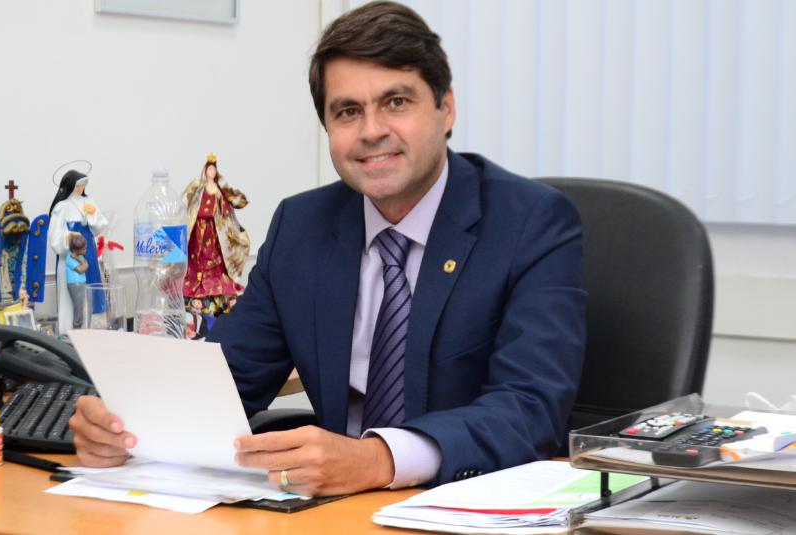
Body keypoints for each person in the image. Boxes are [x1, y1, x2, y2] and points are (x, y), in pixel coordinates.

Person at [70, 1, 585, 498]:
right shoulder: (303, 227)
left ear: (445, 109)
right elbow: (229, 379)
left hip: (465, 508)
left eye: (396, 102)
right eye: (348, 112)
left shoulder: (531, 224)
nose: (372, 131)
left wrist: (379, 459)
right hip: (327, 510)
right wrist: (122, 424)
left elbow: (530, 407)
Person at [182, 153, 250, 316]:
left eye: (214, 170)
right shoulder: (198, 185)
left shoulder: (219, 189)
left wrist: (222, 197)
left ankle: (215, 289)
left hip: (213, 228)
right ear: (205, 170)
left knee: (214, 254)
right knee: (197, 254)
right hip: (198, 227)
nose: (211, 172)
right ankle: (195, 287)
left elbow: (228, 204)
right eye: (209, 169)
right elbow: (185, 199)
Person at [48, 170, 108, 334]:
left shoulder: (89, 201)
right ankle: (70, 329)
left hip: (89, 252)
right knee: (70, 294)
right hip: (70, 254)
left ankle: (90, 327)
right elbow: (55, 236)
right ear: (71, 186)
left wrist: (93, 215)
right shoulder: (61, 207)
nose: (82, 188)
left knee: (91, 288)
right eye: (79, 185)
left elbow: (99, 227)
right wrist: (69, 237)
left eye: (84, 185)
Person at [65, 234, 90, 329]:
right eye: (83, 249)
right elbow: (81, 269)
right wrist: (83, 263)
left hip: (81, 282)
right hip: (74, 283)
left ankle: (79, 324)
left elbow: (86, 265)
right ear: (76, 249)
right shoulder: (69, 258)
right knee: (78, 304)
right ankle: (76, 325)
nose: (85, 251)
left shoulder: (79, 256)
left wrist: (81, 262)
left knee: (81, 304)